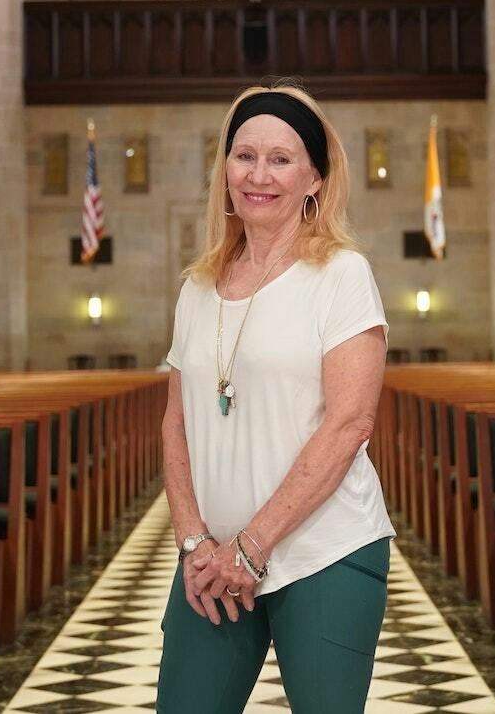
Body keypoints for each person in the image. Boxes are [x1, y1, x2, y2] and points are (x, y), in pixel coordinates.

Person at [156, 83, 395, 714]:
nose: (259, 175)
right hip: (215, 560)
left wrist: (254, 546)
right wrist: (193, 542)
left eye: (281, 159)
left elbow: (350, 424)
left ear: (315, 177)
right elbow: (175, 425)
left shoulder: (341, 275)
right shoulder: (197, 286)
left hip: (323, 551)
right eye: (244, 156)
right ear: (225, 169)